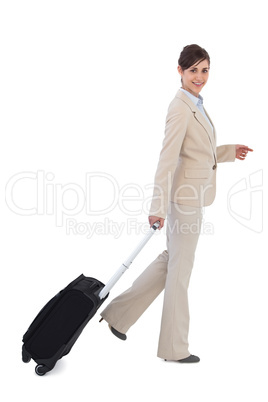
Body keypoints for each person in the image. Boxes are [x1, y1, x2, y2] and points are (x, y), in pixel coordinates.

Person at [100, 44, 253, 363]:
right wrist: (157, 205)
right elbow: (167, 159)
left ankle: (118, 314)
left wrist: (227, 151)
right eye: (193, 70)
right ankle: (173, 348)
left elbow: (195, 152)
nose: (199, 76)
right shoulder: (180, 107)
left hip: (192, 194)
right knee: (180, 272)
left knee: (172, 259)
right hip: (184, 199)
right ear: (180, 71)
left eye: (205, 70)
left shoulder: (195, 102)